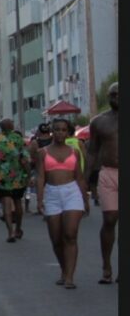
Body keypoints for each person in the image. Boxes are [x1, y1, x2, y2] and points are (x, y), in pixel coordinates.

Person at [36, 118, 88, 288]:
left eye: (63, 130)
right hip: (52, 194)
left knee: (70, 235)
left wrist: (85, 199)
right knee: (56, 239)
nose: (60, 132)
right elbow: (41, 177)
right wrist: (39, 199)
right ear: (52, 131)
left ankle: (69, 277)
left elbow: (80, 178)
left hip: (72, 192)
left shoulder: (75, 151)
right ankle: (64, 269)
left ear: (68, 132)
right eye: (56, 129)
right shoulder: (43, 152)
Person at [88, 82, 118, 284]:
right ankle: (106, 265)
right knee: (109, 219)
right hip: (108, 173)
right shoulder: (99, 122)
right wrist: (83, 178)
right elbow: (92, 152)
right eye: (113, 94)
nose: (117, 97)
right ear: (108, 97)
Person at [0, 119, 31, 243]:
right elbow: (24, 157)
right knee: (17, 203)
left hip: (2, 176)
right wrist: (28, 173)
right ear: (10, 126)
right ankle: (18, 228)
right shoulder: (17, 138)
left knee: (6, 204)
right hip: (17, 176)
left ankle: (10, 232)